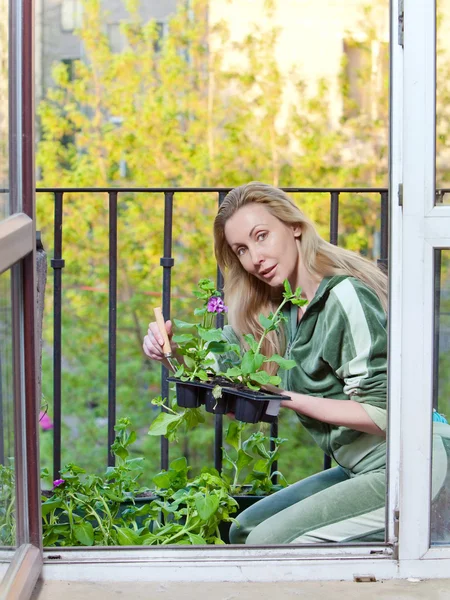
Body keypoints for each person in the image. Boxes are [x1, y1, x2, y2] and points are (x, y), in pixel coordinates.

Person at [143, 181, 450, 545]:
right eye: (242, 248)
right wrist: (171, 352)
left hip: (417, 463)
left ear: (294, 227)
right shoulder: (279, 317)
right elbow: (217, 375)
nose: (254, 257)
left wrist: (285, 397)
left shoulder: (344, 296)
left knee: (268, 545)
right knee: (244, 531)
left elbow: (385, 413)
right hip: (363, 467)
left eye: (261, 236)